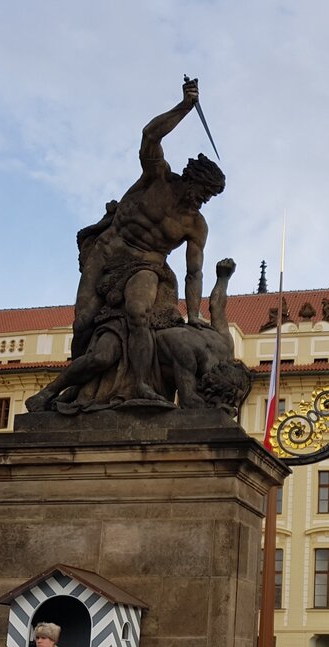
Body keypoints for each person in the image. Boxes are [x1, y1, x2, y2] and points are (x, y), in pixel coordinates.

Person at [27, 78, 226, 412]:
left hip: (148, 265)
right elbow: (150, 135)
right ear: (191, 178)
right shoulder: (157, 177)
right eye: (203, 192)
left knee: (137, 312)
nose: (203, 201)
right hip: (107, 251)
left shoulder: (195, 224)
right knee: (82, 323)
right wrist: (184, 106)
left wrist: (193, 314)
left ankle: (143, 386)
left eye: (209, 197)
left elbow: (194, 273)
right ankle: (75, 389)